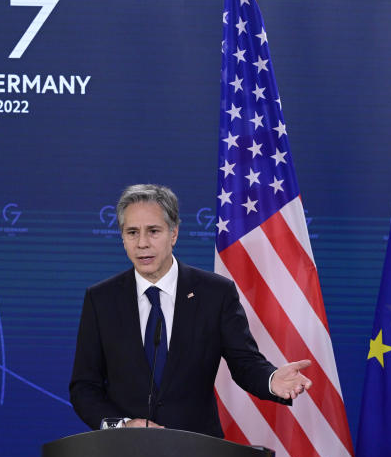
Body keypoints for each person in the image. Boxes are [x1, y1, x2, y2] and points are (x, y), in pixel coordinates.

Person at [70, 184, 312, 436]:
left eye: (153, 231)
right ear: (122, 237)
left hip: (199, 454)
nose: (142, 243)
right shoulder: (101, 299)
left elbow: (245, 363)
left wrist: (272, 380)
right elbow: (84, 387)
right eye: (132, 232)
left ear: (173, 233)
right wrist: (121, 426)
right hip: (125, 455)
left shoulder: (215, 293)